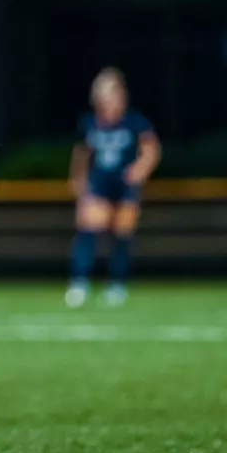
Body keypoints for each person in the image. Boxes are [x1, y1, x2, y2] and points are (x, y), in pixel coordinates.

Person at [66, 68, 160, 307]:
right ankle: (79, 283)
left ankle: (117, 284)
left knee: (121, 233)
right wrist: (79, 179)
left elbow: (151, 150)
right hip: (99, 184)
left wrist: (139, 170)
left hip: (124, 185)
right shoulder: (89, 123)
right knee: (88, 229)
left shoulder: (134, 122)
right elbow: (81, 153)